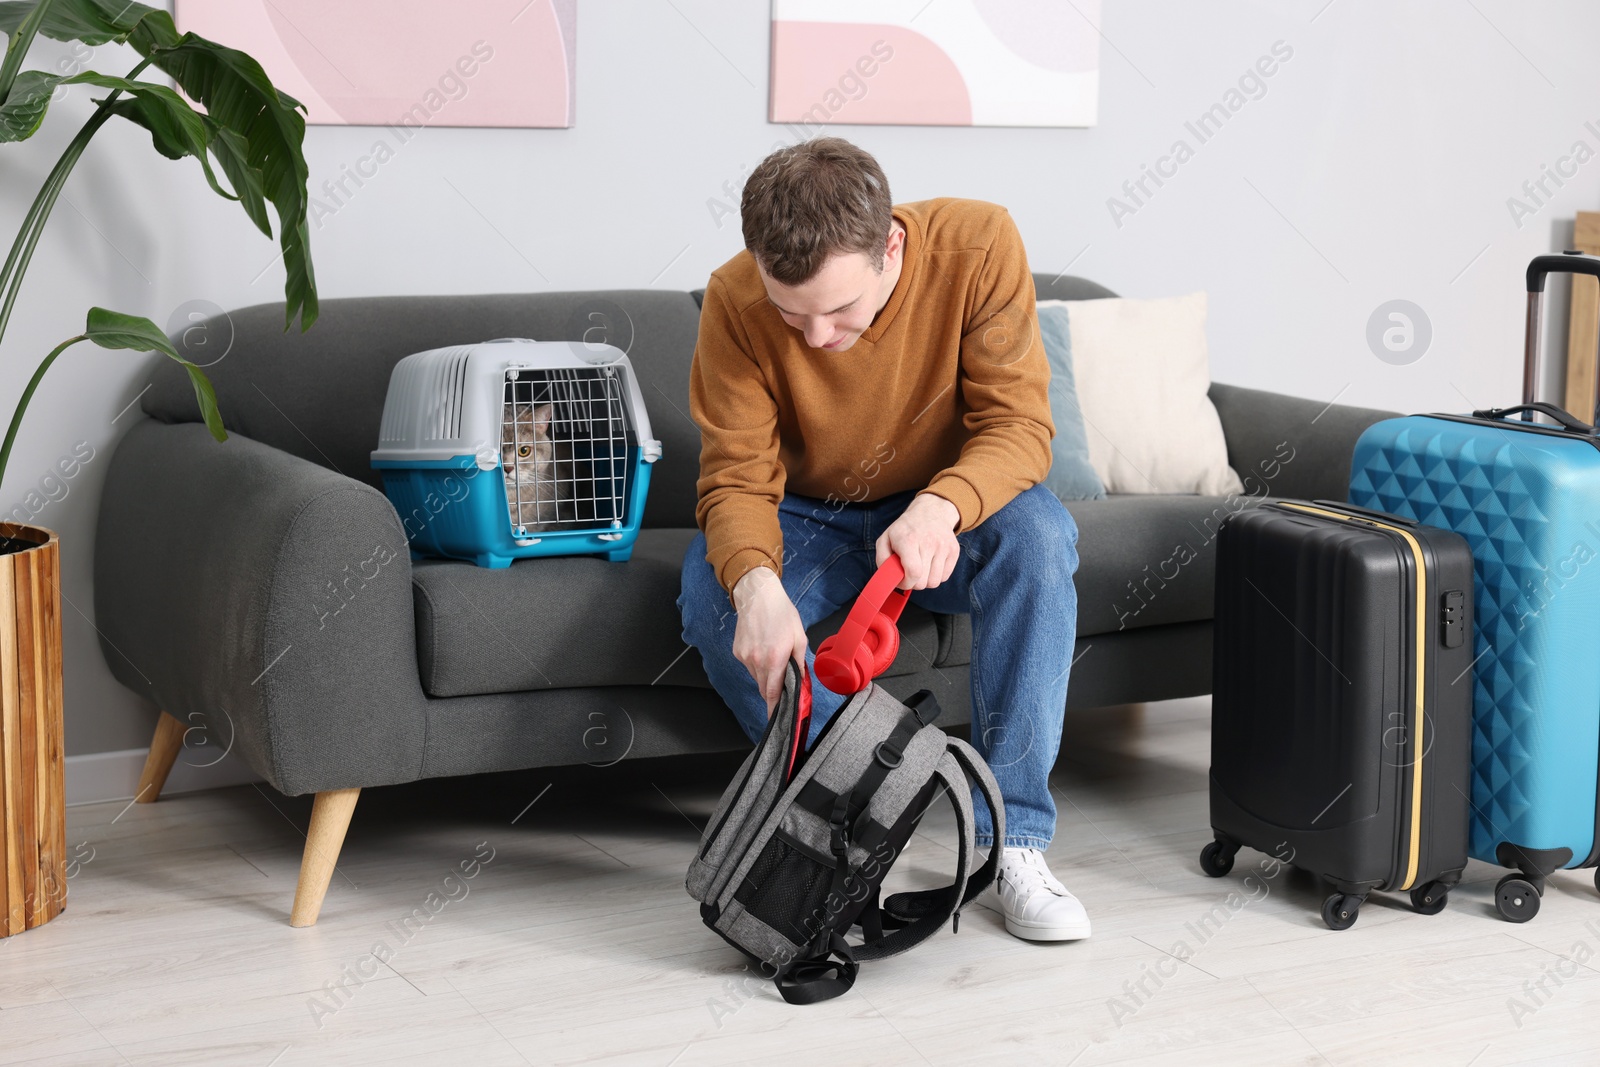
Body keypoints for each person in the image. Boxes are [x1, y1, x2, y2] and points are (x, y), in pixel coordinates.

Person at [677, 137, 1088, 942]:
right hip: (805, 514)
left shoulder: (980, 246)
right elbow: (734, 478)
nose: (818, 336)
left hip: (940, 508)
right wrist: (756, 587)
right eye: (792, 314)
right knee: (716, 600)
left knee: (1041, 537)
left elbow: (1017, 427)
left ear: (889, 246)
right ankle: (864, 823)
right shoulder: (734, 297)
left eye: (840, 310)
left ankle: (1013, 840)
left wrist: (944, 505)